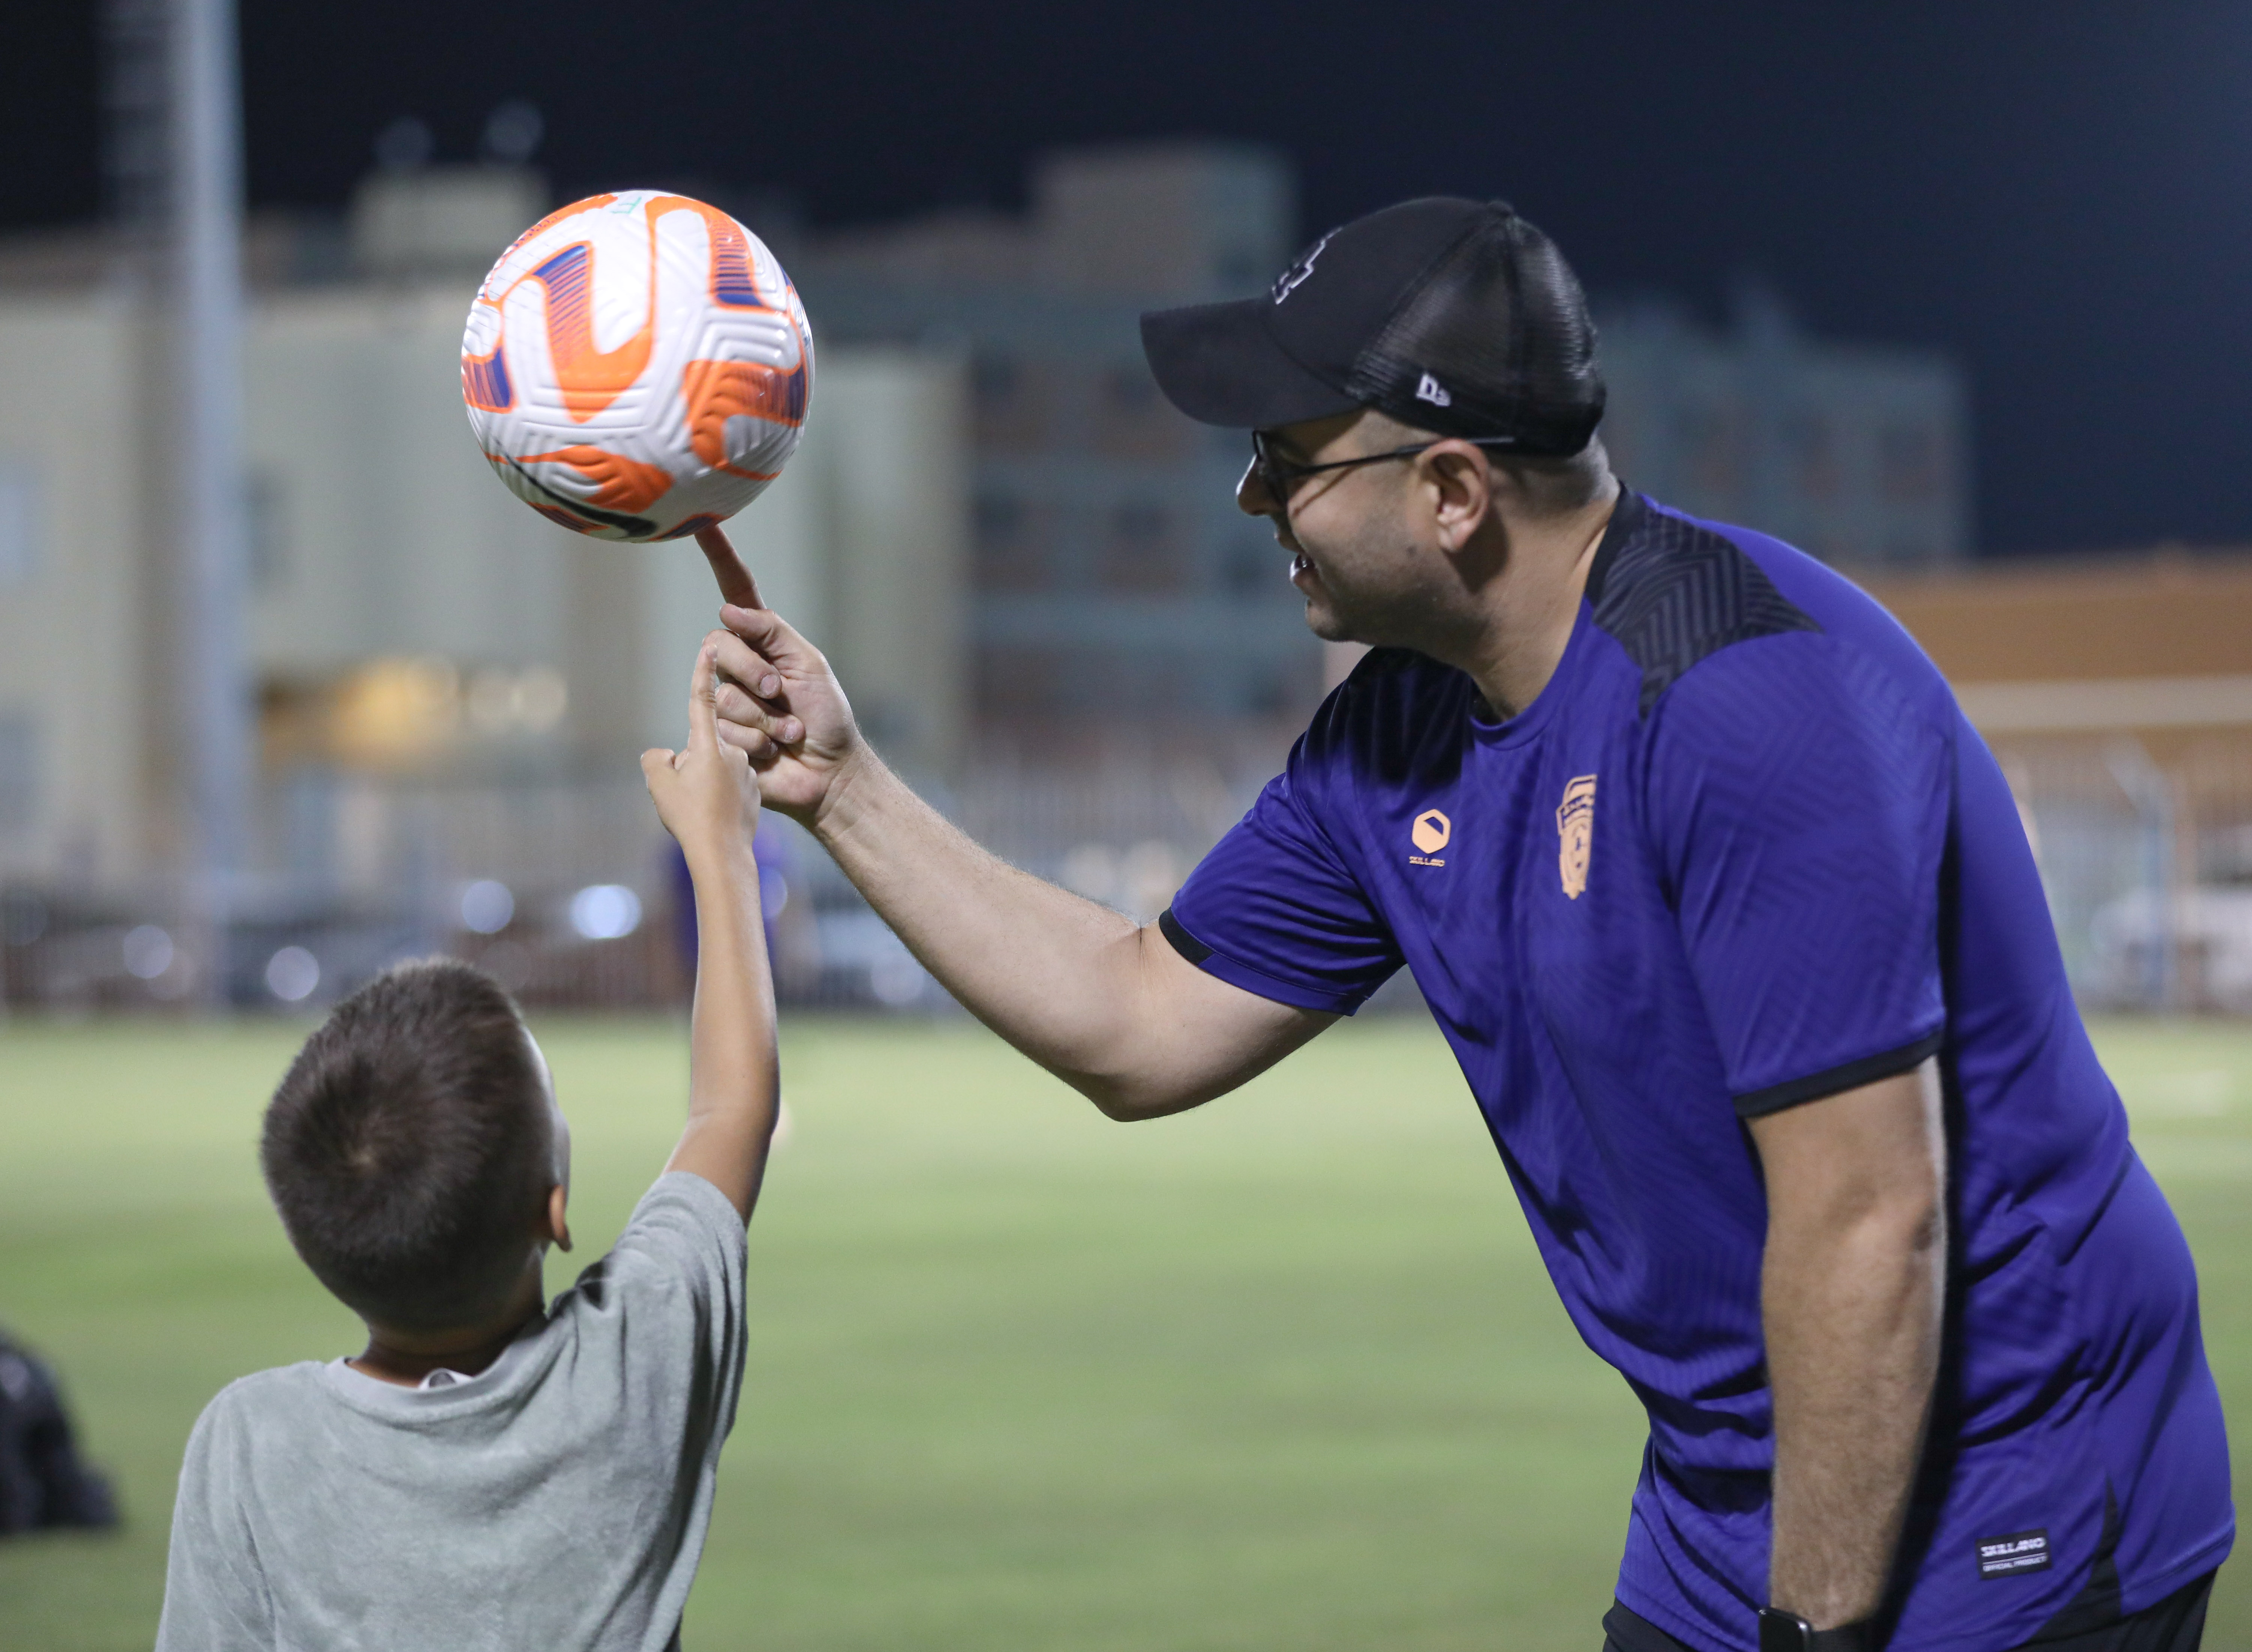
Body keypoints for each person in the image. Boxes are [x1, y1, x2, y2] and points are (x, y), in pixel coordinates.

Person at [702, 195, 2232, 1651]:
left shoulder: (1749, 704)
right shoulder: (1394, 735)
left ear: (1449, 490)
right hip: (1724, 1486)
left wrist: (1815, 1630)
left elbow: (1865, 1223)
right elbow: (1137, 1020)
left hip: (2011, 1478)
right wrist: (843, 792)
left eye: (1287, 458)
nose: (1251, 500)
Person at [155, 642, 777, 1652]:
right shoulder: (635, 1360)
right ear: (556, 1206)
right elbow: (729, 1111)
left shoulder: (249, 1442)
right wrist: (721, 846)